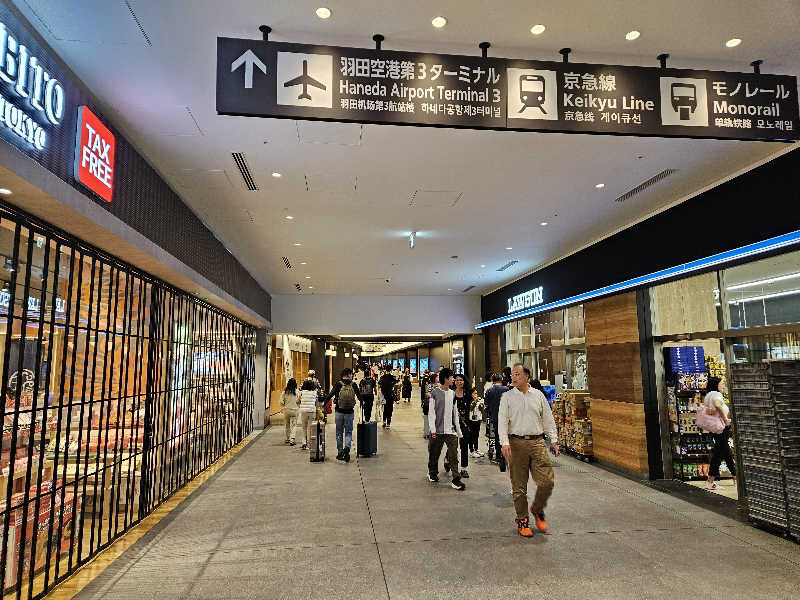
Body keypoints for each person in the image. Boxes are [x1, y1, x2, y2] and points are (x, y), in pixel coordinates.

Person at [499, 363, 559, 538]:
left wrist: (553, 440)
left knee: (547, 482)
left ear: (527, 376)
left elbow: (547, 418)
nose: (513, 377)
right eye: (512, 375)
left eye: (517, 374)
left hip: (538, 442)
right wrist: (504, 443)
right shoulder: (507, 397)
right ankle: (522, 519)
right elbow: (502, 421)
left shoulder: (538, 395)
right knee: (519, 487)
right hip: (516, 443)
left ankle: (537, 509)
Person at [427, 368, 466, 490]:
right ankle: (432, 473)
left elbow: (455, 414)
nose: (453, 379)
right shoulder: (434, 393)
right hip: (437, 431)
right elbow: (431, 413)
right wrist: (433, 430)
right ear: (445, 379)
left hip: (450, 431)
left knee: (454, 454)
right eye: (451, 377)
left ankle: (456, 479)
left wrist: (458, 432)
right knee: (434, 453)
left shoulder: (453, 394)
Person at [704, 376, 736, 490]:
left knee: (725, 450)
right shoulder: (716, 395)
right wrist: (725, 418)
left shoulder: (709, 395)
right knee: (719, 453)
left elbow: (709, 411)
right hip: (721, 427)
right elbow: (717, 406)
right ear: (716, 385)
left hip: (716, 428)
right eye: (722, 383)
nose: (723, 386)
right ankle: (710, 481)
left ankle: (735, 476)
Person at [326, 368, 361, 462]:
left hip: (339, 412)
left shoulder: (338, 384)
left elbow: (330, 394)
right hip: (349, 412)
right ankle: (347, 448)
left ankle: (340, 452)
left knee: (339, 432)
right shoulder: (353, 385)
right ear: (349, 375)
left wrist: (324, 403)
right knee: (348, 432)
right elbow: (359, 397)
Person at [484, 373, 508, 465]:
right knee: (507, 436)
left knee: (498, 437)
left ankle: (499, 456)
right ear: (501, 379)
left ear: (492, 380)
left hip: (495, 417)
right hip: (507, 417)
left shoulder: (489, 390)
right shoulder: (507, 389)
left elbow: (486, 405)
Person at [453, 373, 472, 479]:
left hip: (465, 423)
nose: (459, 382)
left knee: (464, 445)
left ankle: (464, 468)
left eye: (461, 380)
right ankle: (448, 459)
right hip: (453, 423)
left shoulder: (467, 393)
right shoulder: (451, 393)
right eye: (457, 380)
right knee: (453, 445)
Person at [295, 379, 319, 450]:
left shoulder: (302, 393)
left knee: (304, 427)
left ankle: (304, 443)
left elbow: (297, 401)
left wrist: (300, 406)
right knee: (310, 428)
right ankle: (309, 444)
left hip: (303, 411)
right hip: (312, 411)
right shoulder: (315, 393)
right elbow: (317, 403)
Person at [280, 378, 299, 445]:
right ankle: (292, 439)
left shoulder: (284, 392)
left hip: (286, 410)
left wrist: (284, 405)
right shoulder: (297, 392)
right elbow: (299, 401)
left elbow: (281, 402)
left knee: (287, 424)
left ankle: (287, 438)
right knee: (294, 425)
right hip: (295, 410)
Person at [468, 388, 485, 457]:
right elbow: (471, 408)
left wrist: (481, 404)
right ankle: (472, 451)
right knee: (472, 435)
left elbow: (482, 410)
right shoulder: (469, 401)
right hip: (471, 420)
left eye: (476, 393)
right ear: (471, 394)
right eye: (474, 393)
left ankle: (476, 449)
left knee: (476, 435)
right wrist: (475, 401)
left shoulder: (479, 400)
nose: (476, 395)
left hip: (478, 419)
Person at [422, 372, 437, 439]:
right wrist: (434, 397)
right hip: (428, 405)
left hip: (436, 405)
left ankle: (433, 432)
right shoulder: (429, 385)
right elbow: (427, 394)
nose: (438, 378)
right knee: (427, 418)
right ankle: (426, 433)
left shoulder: (439, 385)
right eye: (437, 377)